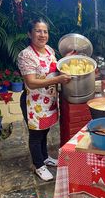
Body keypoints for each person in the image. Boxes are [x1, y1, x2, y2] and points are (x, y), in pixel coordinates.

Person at [18, 18, 71, 181]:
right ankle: (38, 166)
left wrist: (68, 59)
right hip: (33, 102)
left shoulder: (49, 50)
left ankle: (45, 157)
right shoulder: (26, 55)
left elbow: (54, 68)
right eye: (38, 31)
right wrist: (58, 80)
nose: (42, 35)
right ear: (30, 33)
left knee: (45, 130)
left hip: (48, 101)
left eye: (45, 31)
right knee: (36, 135)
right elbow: (31, 82)